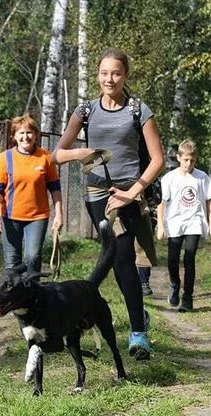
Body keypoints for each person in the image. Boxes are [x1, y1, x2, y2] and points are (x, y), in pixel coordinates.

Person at [52, 48, 165, 360]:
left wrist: (134, 191)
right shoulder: (86, 111)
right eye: (104, 73)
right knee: (115, 258)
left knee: (123, 259)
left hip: (127, 192)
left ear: (125, 75)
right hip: (96, 195)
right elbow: (57, 155)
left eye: (116, 73)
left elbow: (158, 159)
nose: (110, 79)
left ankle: (138, 334)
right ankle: (133, 321)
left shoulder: (137, 110)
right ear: (97, 75)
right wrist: (83, 153)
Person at [0, 115, 63, 272]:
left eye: (29, 132)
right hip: (10, 217)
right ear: (14, 136)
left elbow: (55, 188)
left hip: (37, 217)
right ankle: (14, 296)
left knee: (32, 257)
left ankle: (33, 294)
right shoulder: (5, 157)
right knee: (12, 263)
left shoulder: (45, 157)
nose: (25, 137)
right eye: (21, 133)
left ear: (36, 135)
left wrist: (59, 215)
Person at [157, 139, 211, 312]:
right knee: (172, 259)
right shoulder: (169, 178)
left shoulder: (202, 177)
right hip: (175, 221)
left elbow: (209, 202)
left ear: (195, 159)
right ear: (178, 158)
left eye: (192, 160)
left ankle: (187, 298)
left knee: (189, 258)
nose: (188, 163)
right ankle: (175, 284)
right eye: (185, 160)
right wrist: (161, 226)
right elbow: (162, 203)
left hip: (195, 221)